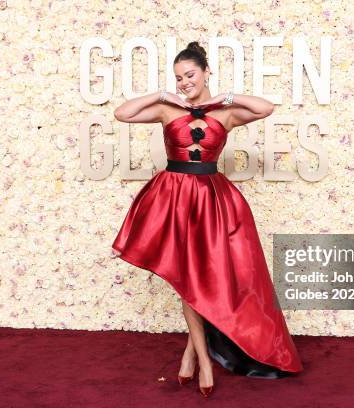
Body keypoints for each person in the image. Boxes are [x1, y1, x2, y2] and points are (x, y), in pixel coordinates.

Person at [111, 41, 303, 398]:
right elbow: (123, 113)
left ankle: (189, 357)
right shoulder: (168, 110)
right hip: (175, 196)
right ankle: (204, 361)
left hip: (212, 198)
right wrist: (162, 93)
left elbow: (266, 107)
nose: (184, 82)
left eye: (190, 75)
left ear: (206, 72)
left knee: (202, 276)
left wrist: (223, 99)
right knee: (187, 275)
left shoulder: (225, 115)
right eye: (179, 77)